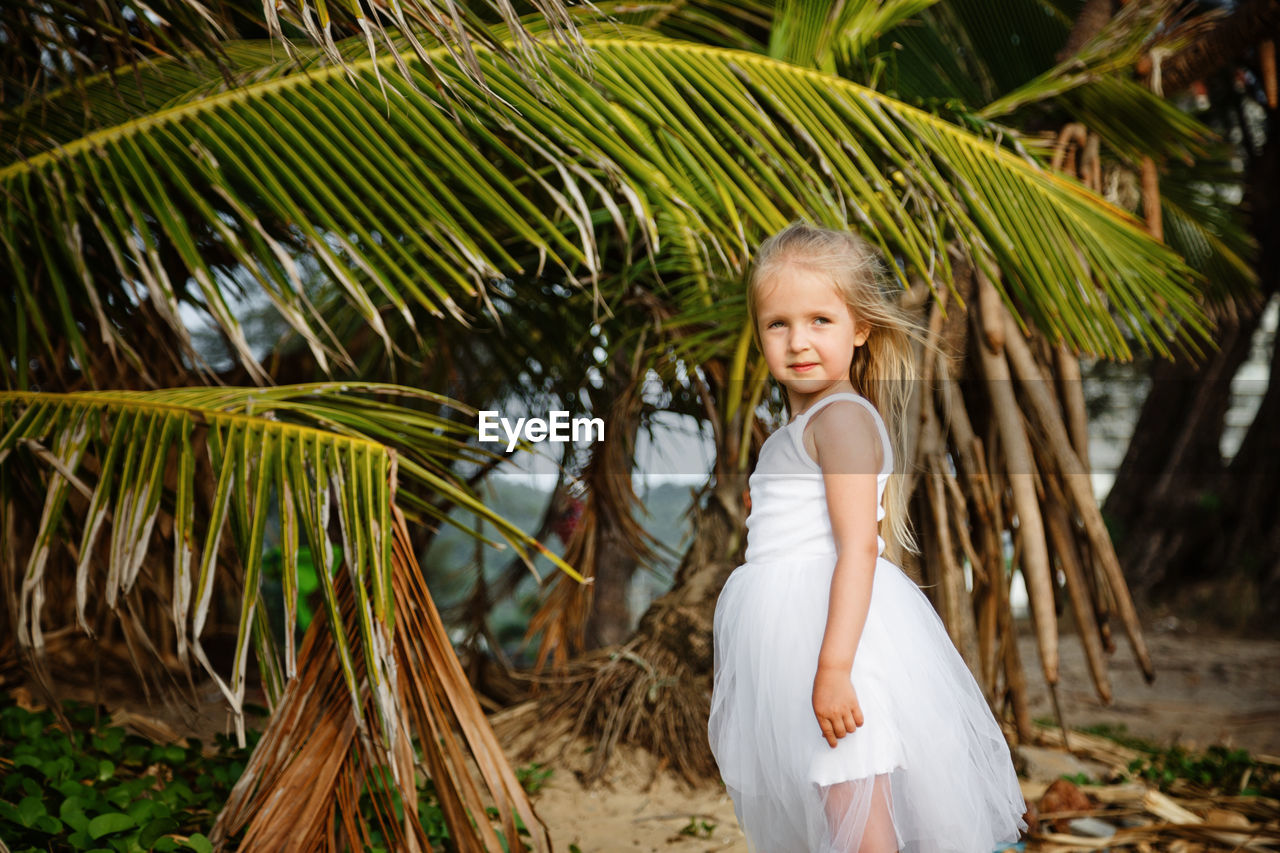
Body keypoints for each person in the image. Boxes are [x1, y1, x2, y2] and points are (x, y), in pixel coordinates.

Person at [707, 221, 1028, 852]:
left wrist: (832, 668)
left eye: (820, 320)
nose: (798, 341)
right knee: (837, 803)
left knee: (855, 806)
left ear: (861, 328)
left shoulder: (843, 419)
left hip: (832, 640)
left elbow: (858, 547)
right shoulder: (815, 423)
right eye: (778, 324)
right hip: (800, 635)